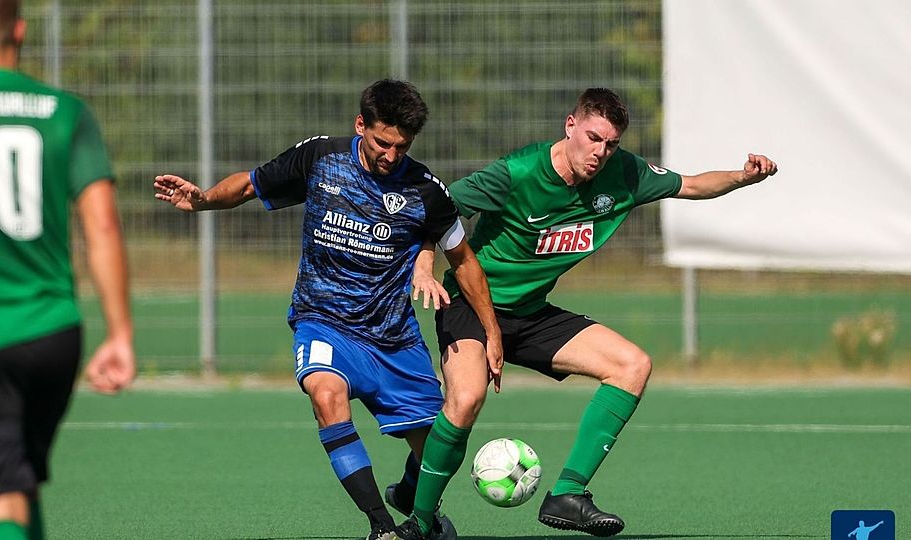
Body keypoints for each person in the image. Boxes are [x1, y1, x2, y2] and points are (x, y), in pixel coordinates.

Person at [394, 87, 778, 539]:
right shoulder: (518, 172)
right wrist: (423, 262)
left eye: (611, 143)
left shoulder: (624, 173)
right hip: (473, 306)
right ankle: (418, 520)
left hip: (531, 314)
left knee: (632, 365)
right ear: (570, 125)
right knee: (466, 400)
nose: (600, 152)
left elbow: (691, 185)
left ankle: (568, 495)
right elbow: (440, 208)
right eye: (593, 138)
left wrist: (742, 177)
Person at [153, 79, 501, 540]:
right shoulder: (321, 157)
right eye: (382, 142)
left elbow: (466, 263)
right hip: (324, 321)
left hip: (393, 337)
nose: (391, 155)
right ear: (361, 125)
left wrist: (493, 333)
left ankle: (419, 506)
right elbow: (251, 185)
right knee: (325, 393)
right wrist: (203, 200)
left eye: (402, 146)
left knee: (440, 449)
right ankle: (382, 527)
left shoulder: (426, 190)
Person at [0, 1, 136, 539]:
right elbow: (101, 226)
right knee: (16, 479)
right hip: (55, 333)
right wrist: (120, 333)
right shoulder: (65, 112)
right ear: (19, 29)